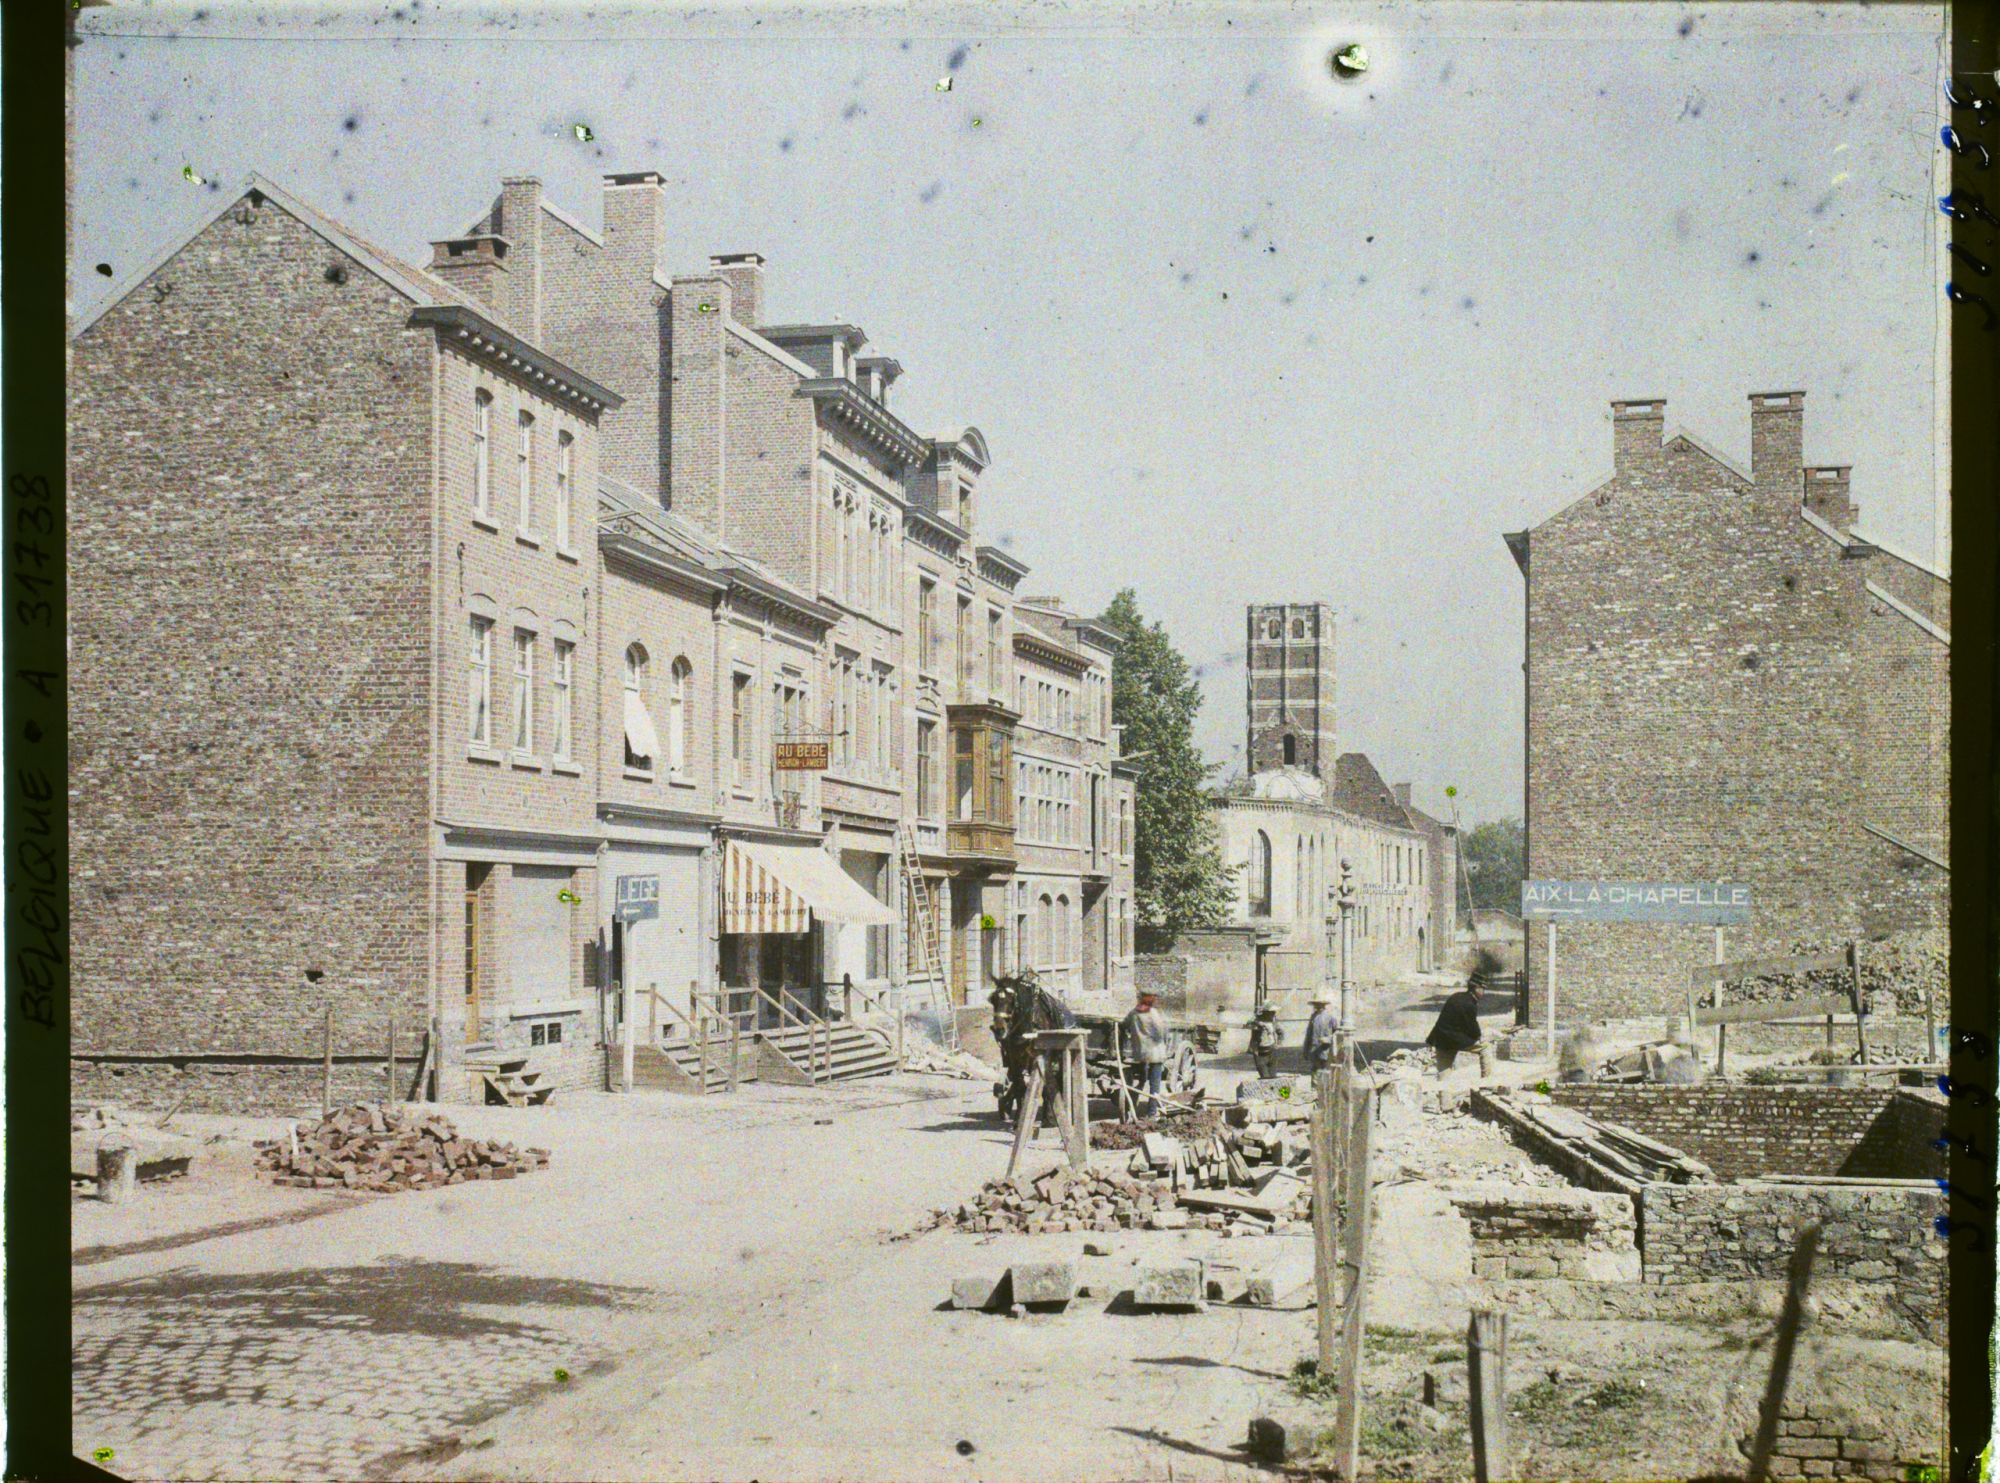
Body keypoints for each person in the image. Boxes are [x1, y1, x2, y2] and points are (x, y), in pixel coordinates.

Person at [1123, 992, 1173, 1116]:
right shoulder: (1153, 1013)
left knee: (1141, 1080)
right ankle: (1151, 1112)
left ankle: (1132, 1105)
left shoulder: (1133, 1012)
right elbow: (1161, 1032)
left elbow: (1124, 1025)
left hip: (1140, 1054)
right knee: (1154, 1083)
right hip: (1155, 1054)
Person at [1426, 975, 1485, 1077]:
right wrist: (1479, 1036)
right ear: (1476, 988)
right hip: (1454, 1040)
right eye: (1483, 989)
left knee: (1444, 1073)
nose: (1484, 992)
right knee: (1486, 1048)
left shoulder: (1456, 996)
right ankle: (1487, 1085)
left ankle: (1443, 1092)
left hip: (1440, 1038)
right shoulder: (1470, 1004)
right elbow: (1472, 1026)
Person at [1303, 995, 1340, 1073]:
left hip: (1325, 1049)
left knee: (1325, 1070)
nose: (1318, 1007)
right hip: (1314, 1048)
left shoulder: (1330, 1017)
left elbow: (1336, 1032)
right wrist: (1305, 1050)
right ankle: (1315, 1085)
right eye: (1316, 1005)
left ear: (1324, 1006)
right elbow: (1308, 1034)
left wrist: (1328, 1038)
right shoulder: (1313, 1017)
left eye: (1320, 1005)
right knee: (1315, 1070)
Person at [1249, 1004, 1284, 1081]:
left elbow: (1281, 1032)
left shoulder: (1274, 1022)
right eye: (1271, 1012)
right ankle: (1267, 1092)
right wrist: (1259, 1023)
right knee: (1265, 1078)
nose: (1273, 1014)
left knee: (1273, 1077)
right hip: (1260, 1053)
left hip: (1272, 1051)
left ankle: (1276, 1092)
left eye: (1274, 1012)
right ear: (1265, 1013)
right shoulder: (1257, 1021)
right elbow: (1249, 1022)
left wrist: (1278, 1044)